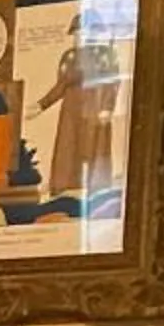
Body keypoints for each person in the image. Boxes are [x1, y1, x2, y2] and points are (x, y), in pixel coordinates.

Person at [32, 13, 126, 201]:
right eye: (76, 33)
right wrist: (41, 105)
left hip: (95, 105)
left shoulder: (106, 54)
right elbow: (61, 86)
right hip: (71, 107)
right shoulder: (69, 56)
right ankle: (63, 187)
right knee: (68, 145)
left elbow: (112, 83)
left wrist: (108, 107)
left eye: (81, 32)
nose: (77, 37)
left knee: (94, 147)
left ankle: (96, 189)